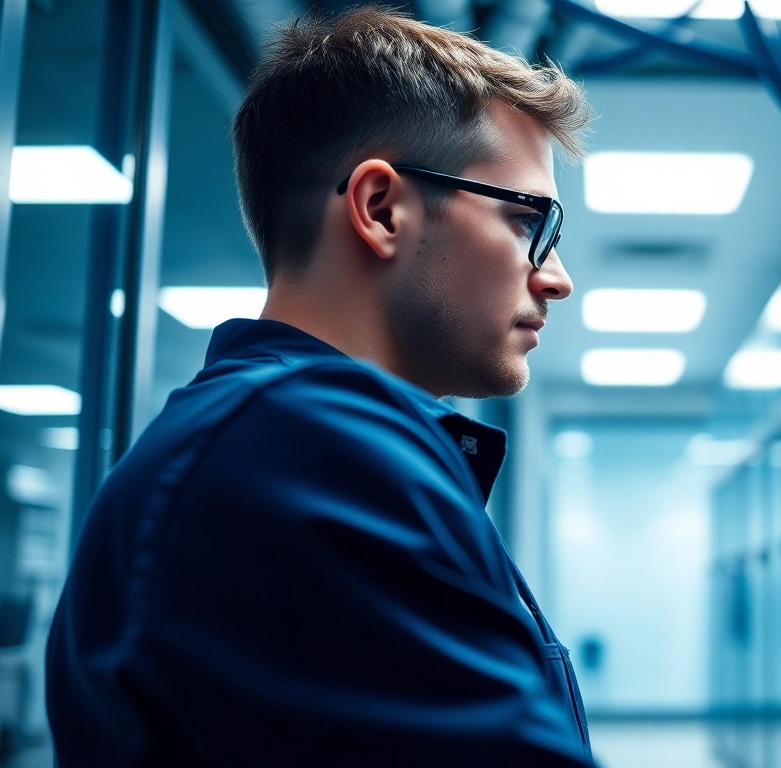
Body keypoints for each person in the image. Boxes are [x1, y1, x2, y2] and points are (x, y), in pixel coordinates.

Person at [45, 7, 595, 766]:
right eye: (528, 220)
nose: (557, 279)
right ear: (381, 209)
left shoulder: (280, 438)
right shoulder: (305, 453)